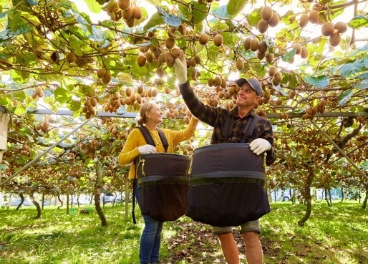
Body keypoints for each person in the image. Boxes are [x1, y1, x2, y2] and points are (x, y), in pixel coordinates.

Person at [174, 57, 276, 264]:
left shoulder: (263, 124)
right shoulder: (222, 117)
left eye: (248, 90)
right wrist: (183, 81)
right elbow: (197, 107)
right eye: (241, 88)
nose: (242, 92)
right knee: (223, 232)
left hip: (246, 187)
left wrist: (268, 145)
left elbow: (271, 155)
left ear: (257, 99)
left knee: (250, 234)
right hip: (219, 185)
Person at [118, 102, 198, 264]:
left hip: (164, 184)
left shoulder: (166, 133)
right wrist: (138, 150)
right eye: (157, 110)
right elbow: (122, 159)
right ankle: (145, 261)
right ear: (147, 113)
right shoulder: (136, 133)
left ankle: (153, 261)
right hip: (145, 185)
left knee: (159, 222)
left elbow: (187, 133)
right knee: (151, 222)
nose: (161, 112)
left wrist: (195, 118)